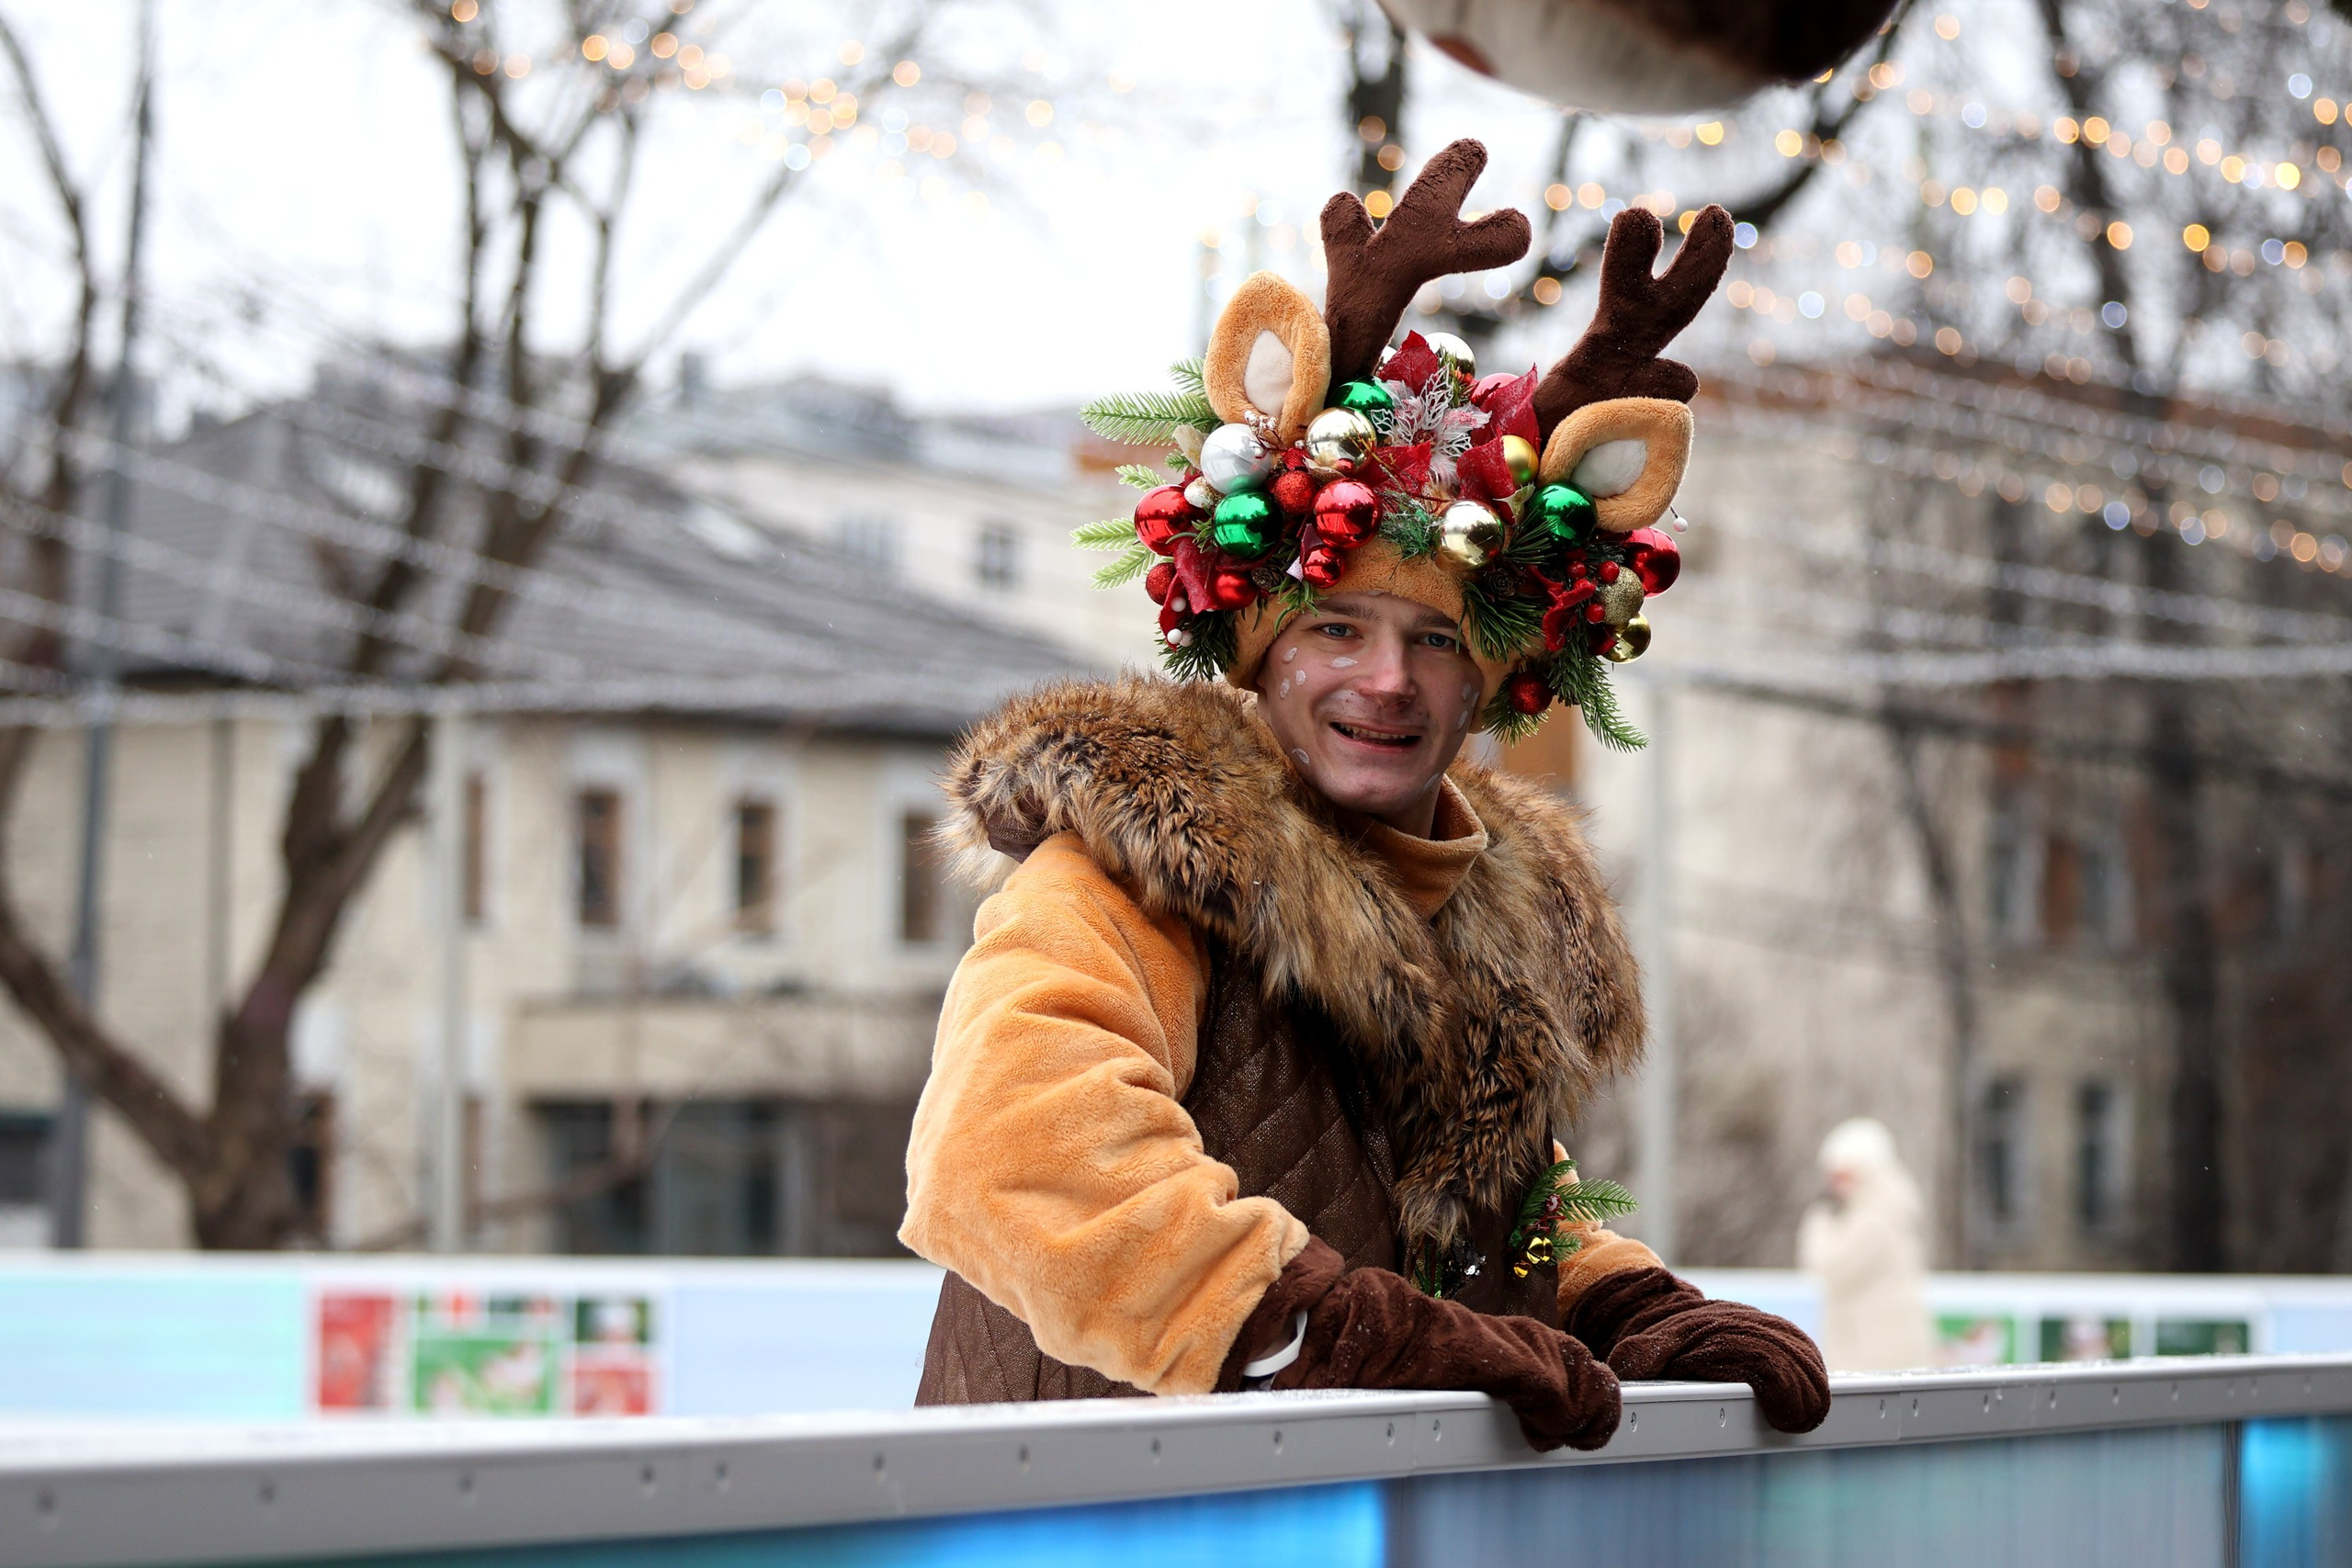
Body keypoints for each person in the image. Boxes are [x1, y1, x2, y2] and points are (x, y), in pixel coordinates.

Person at [899, 141, 1828, 1452]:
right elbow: (1010, 1155)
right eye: (1336, 627)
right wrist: (1314, 1327)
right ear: (1262, 649)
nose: (1386, 680)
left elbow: (1477, 1198)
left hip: (1338, 1513)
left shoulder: (1480, 908)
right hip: (1104, 1516)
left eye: (1438, 639)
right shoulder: (1130, 868)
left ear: (1492, 681)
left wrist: (1625, 1301)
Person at [1797, 1118, 1935, 1372]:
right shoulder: (1890, 1209)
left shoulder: (1875, 1218)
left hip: (1873, 1349)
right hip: (1880, 1344)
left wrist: (1819, 1220)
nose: (1834, 1185)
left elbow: (1827, 1264)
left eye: (1842, 1176)